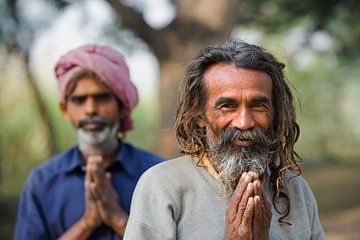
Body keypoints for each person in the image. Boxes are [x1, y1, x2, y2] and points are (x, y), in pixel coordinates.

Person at [124, 39, 326, 240]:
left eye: (259, 105)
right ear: (200, 116)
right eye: (227, 106)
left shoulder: (295, 190)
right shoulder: (162, 186)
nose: (244, 122)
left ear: (275, 114)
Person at [14, 44, 163, 240]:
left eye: (102, 98)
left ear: (122, 106)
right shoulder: (43, 181)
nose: (90, 109)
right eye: (79, 100)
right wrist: (88, 223)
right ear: (65, 110)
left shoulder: (157, 174)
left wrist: (117, 218)